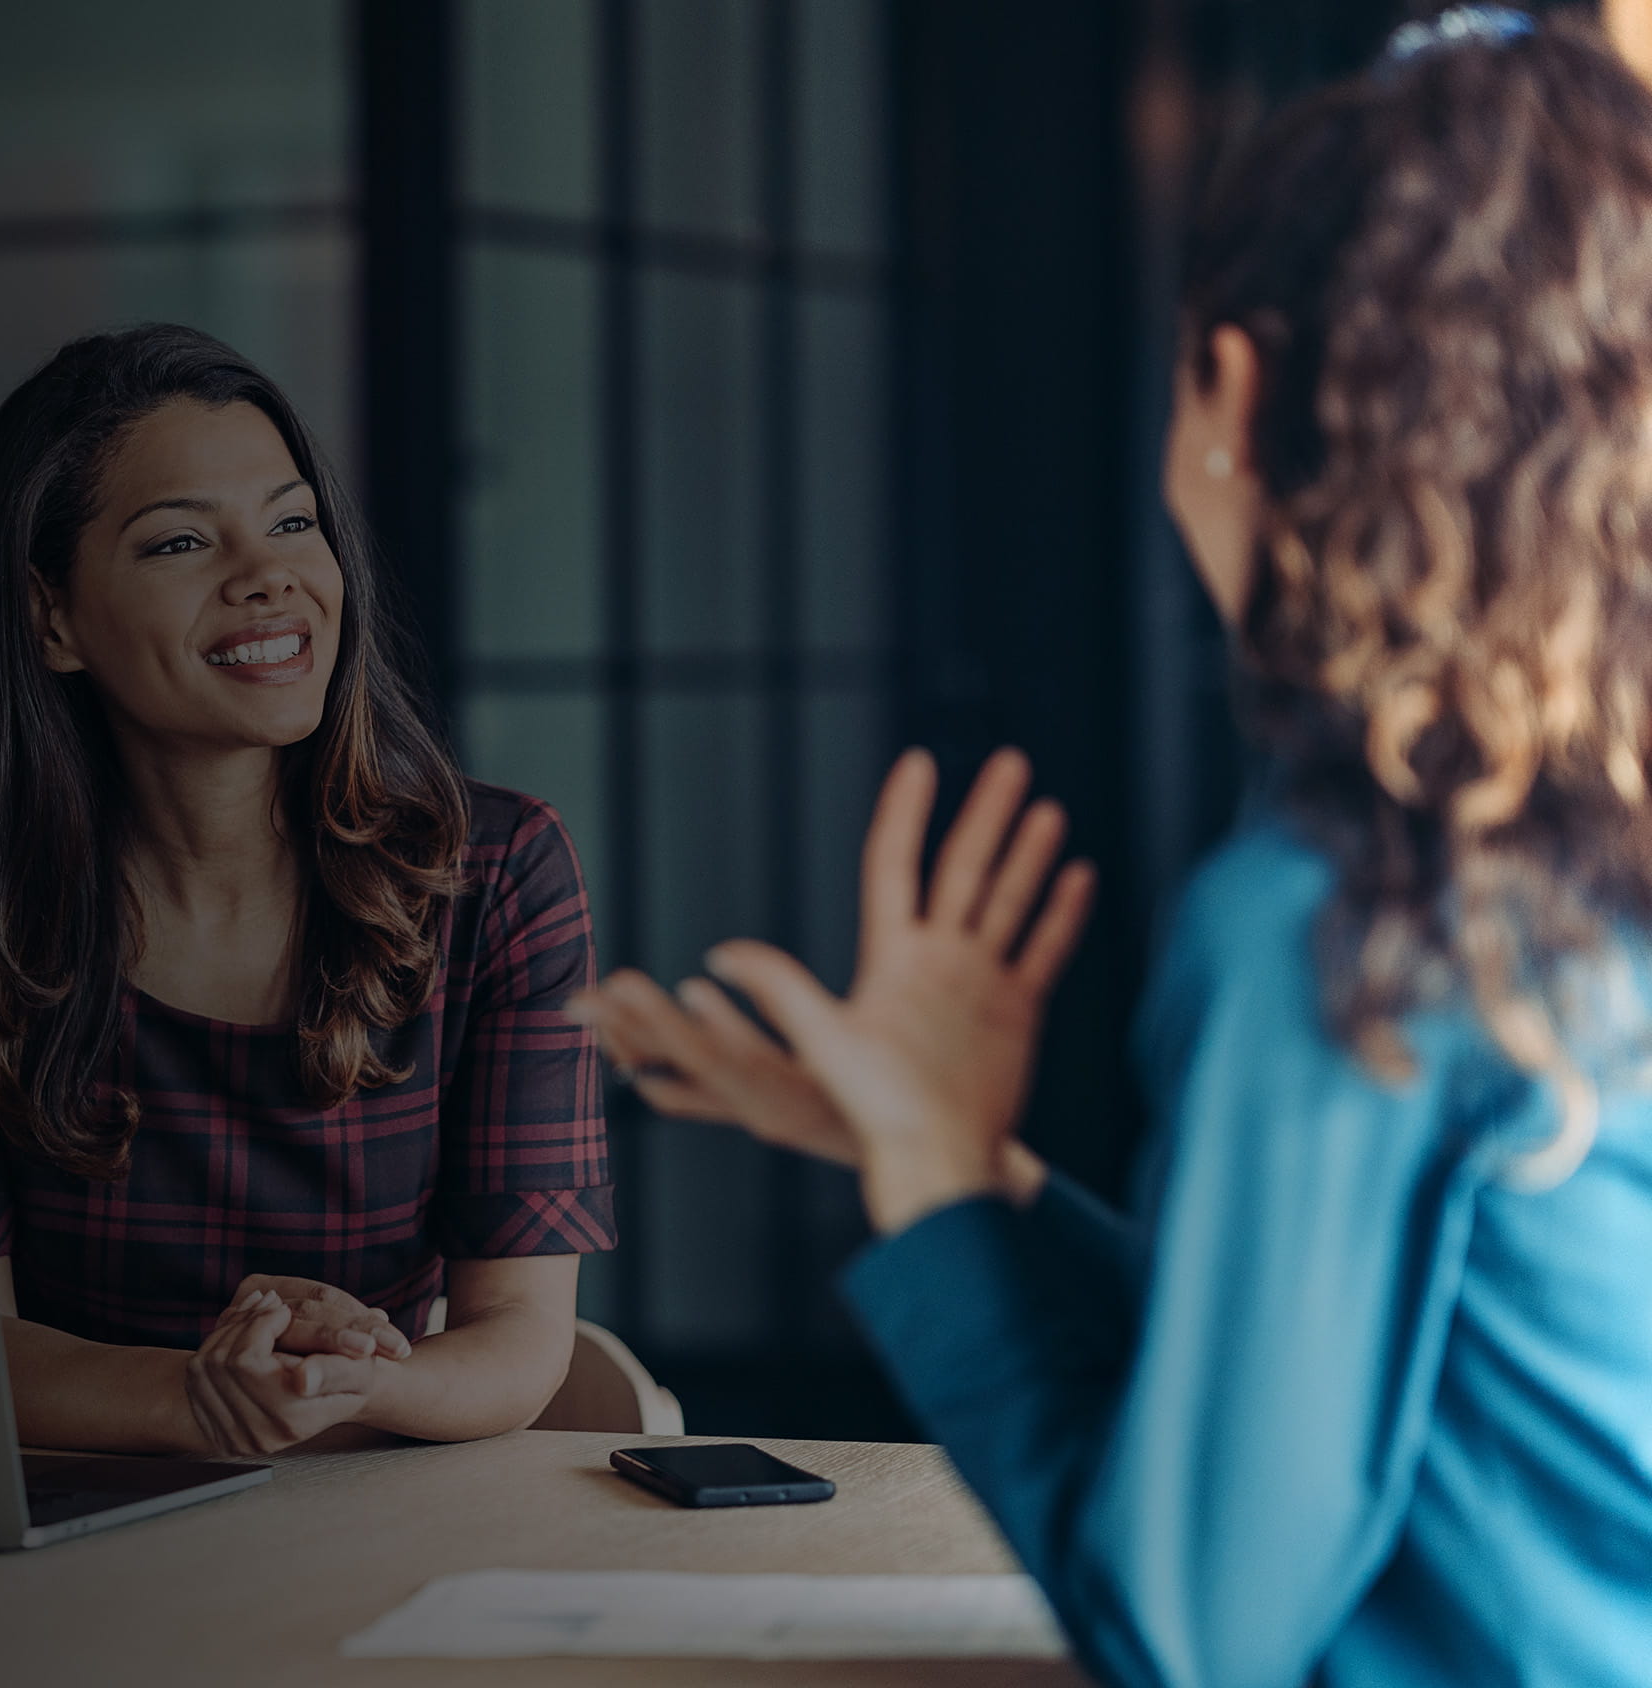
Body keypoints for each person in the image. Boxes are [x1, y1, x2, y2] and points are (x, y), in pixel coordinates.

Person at [575, 11, 1652, 1686]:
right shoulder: (1567, 850)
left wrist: (929, 1178)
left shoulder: (1341, 912)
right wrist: (965, 1168)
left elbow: (1191, 1632)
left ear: (1230, 384)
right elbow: (1360, 1364)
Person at [0, 325, 615, 1458]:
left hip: (372, 1492)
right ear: (52, 616)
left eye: (294, 521)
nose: (269, 575)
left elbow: (518, 1334)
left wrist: (344, 1378)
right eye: (178, 543)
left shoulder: (496, 868)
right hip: (71, 1508)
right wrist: (201, 1397)